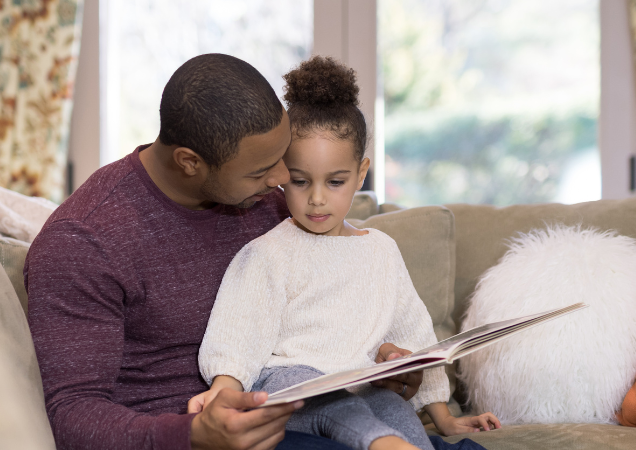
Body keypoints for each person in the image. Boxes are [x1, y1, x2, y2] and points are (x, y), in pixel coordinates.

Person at [25, 53, 423, 450]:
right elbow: (70, 415)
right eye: (261, 170)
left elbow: (331, 311)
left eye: (282, 159)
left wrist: (382, 363)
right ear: (189, 163)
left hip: (299, 411)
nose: (283, 180)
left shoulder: (270, 202)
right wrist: (194, 435)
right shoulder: (83, 241)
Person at [191, 56, 501, 450]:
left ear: (360, 173)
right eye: (300, 181)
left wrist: (446, 419)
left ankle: (406, 442)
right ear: (282, 175)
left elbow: (414, 335)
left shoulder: (381, 251)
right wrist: (221, 395)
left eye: (335, 182)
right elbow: (237, 338)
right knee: (321, 393)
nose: (317, 199)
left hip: (361, 385)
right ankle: (382, 443)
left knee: (387, 402)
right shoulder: (268, 254)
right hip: (292, 390)